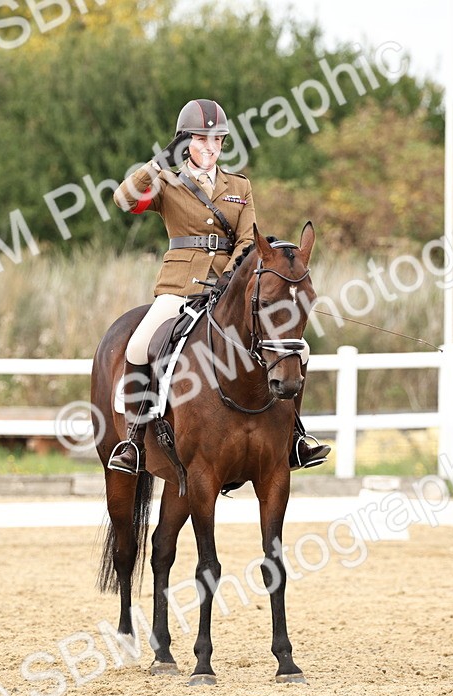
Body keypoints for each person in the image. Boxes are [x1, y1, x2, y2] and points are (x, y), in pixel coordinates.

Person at [107, 98, 330, 475]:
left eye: (218, 141)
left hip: (229, 288)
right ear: (184, 143)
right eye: (201, 140)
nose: (210, 148)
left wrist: (228, 278)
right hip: (178, 289)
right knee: (139, 346)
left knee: (300, 349)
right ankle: (133, 440)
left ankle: (294, 436)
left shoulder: (238, 186)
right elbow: (124, 199)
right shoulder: (166, 182)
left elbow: (248, 239)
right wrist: (159, 162)